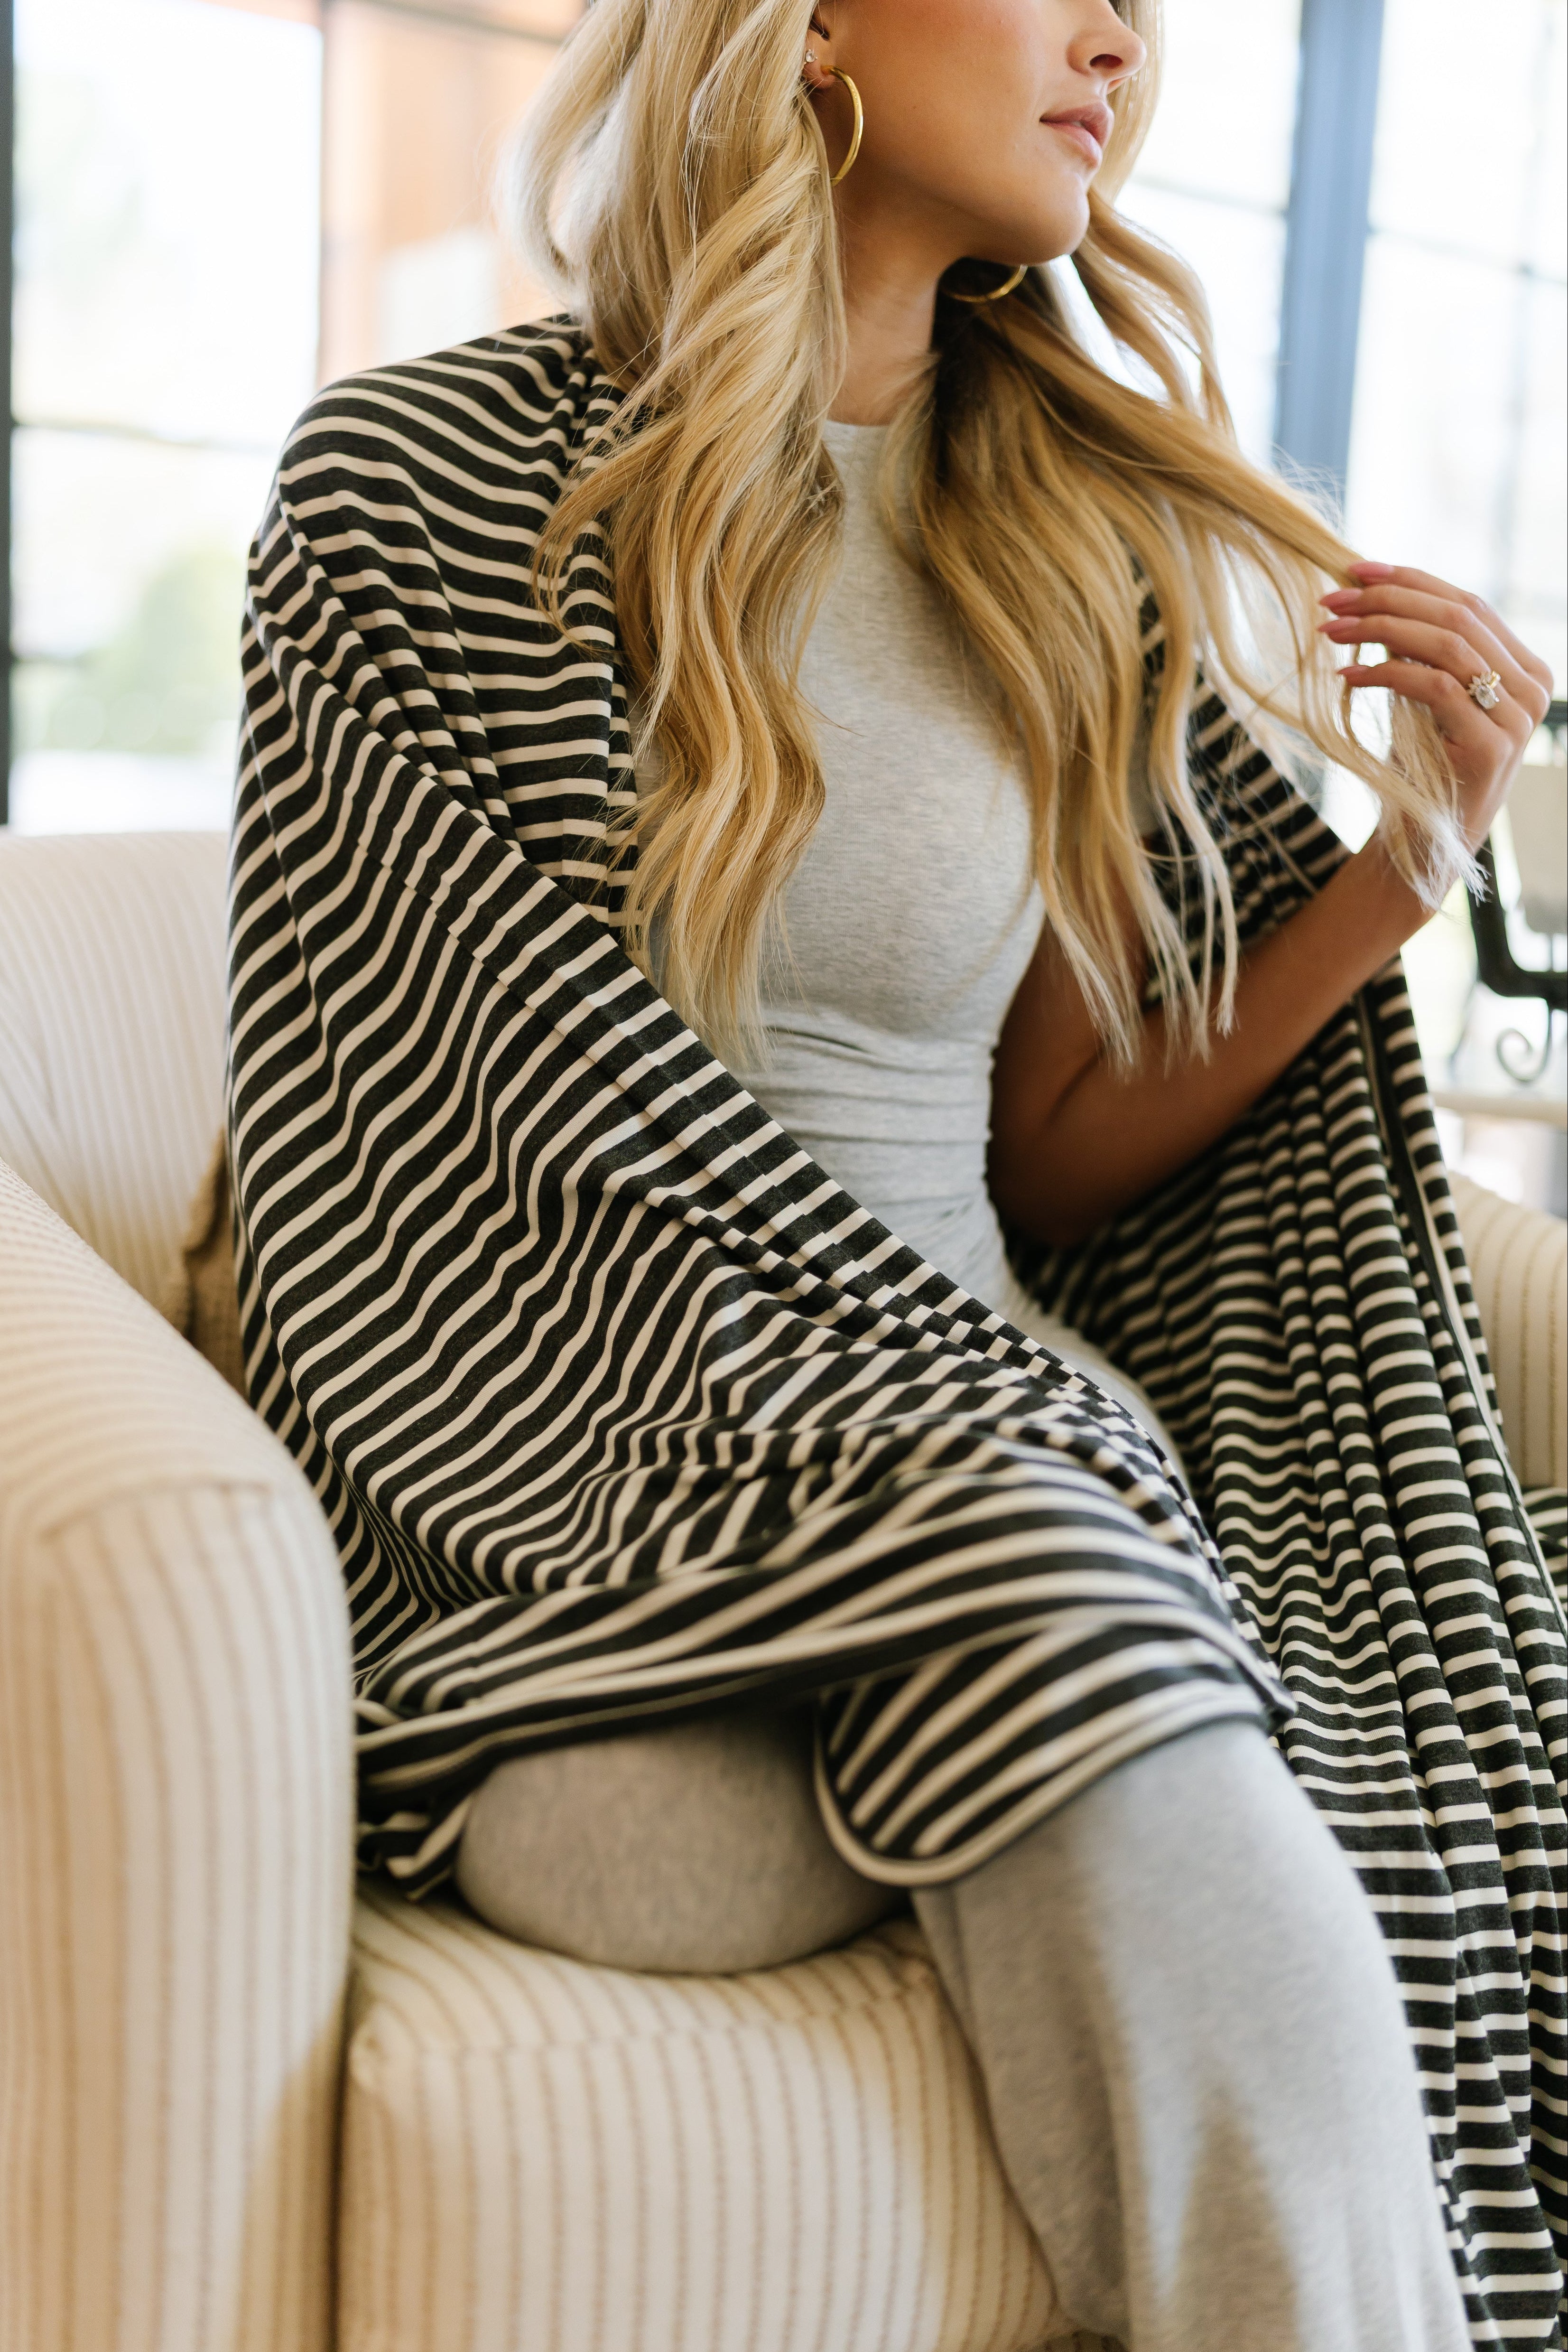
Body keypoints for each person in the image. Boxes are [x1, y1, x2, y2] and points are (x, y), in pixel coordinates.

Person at [227, 3, 1564, 2346]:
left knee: (1248, 1606)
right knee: (988, 1606)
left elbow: (1047, 1153)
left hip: (987, 1469)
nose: (1120, 38)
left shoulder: (1047, 532)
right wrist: (955, 1449)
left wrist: (1402, 857)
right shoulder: (412, 494)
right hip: (583, 1539)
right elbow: (395, 1126)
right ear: (812, 20)